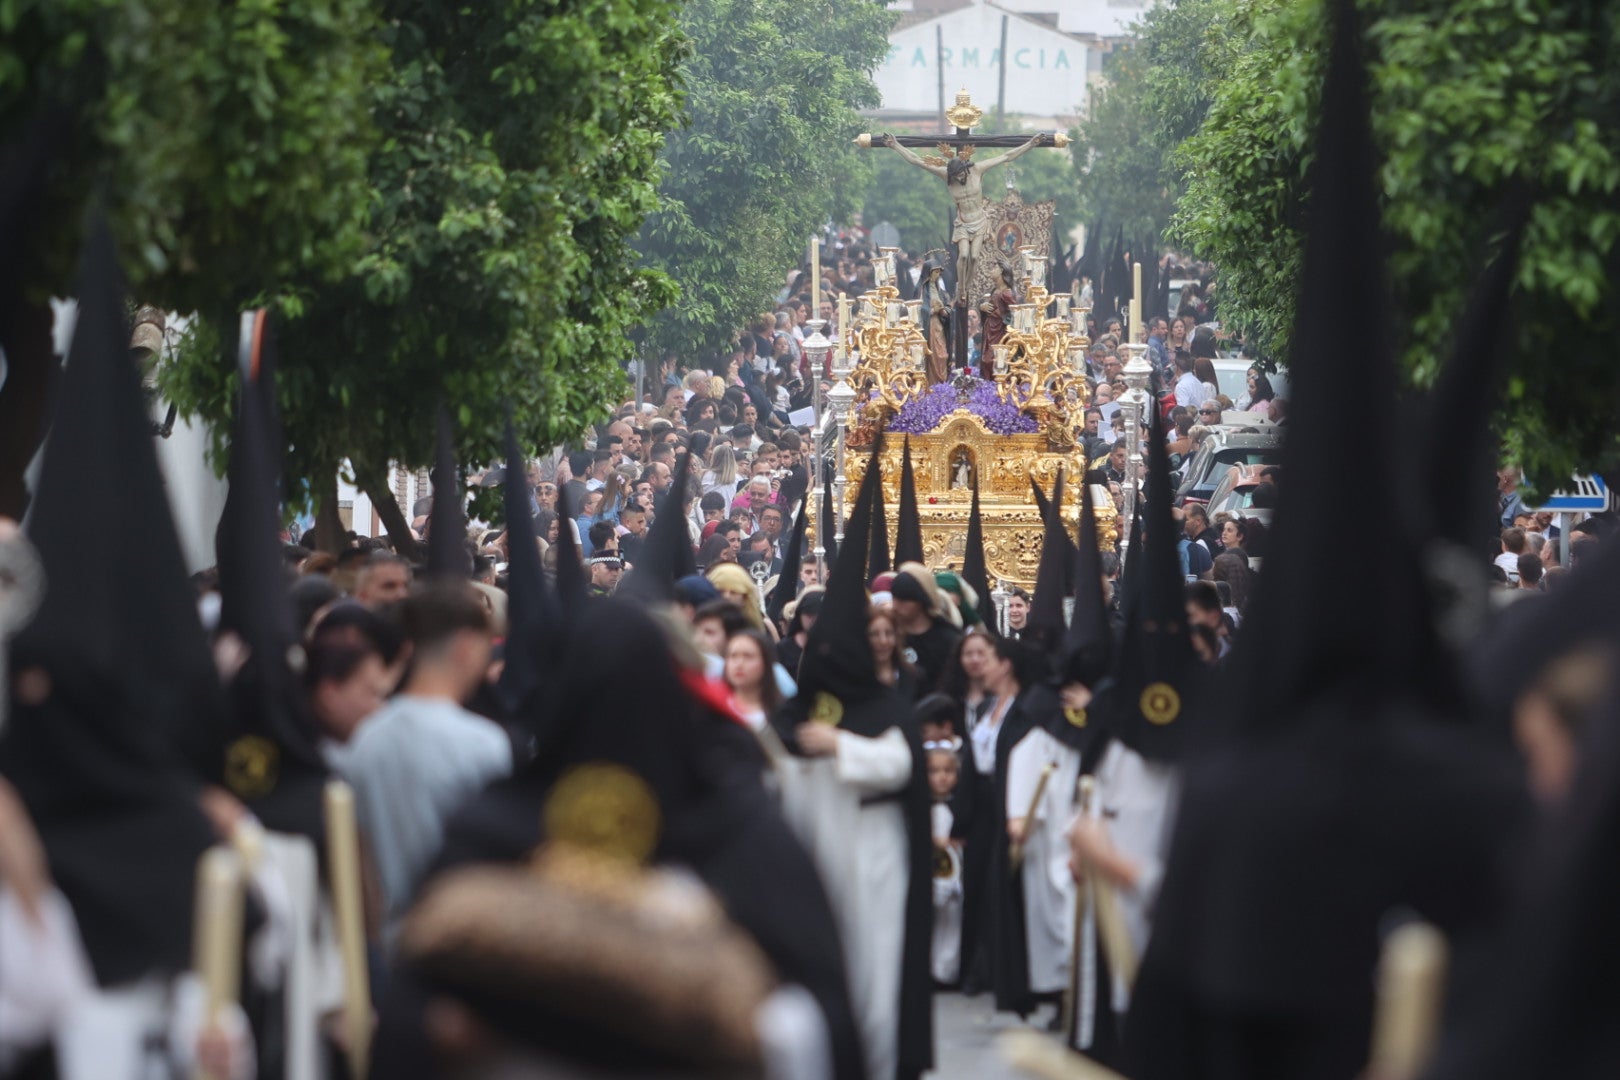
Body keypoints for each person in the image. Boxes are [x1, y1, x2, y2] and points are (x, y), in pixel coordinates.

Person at [327, 582, 515, 936]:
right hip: (461, 941)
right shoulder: (483, 744)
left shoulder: (364, 739)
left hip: (388, 942)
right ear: (465, 646)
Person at [889, 564, 962, 694]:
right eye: (894, 598)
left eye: (904, 600)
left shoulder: (949, 640)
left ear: (921, 600)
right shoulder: (888, 636)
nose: (895, 605)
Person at [723, 628, 783, 733]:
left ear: (766, 663)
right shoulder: (714, 709)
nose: (739, 664)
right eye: (733, 656)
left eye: (748, 656)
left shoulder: (782, 714)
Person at [870, 606, 921, 701]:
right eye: (874, 634)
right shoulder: (853, 681)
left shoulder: (914, 676)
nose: (883, 641)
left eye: (888, 633)